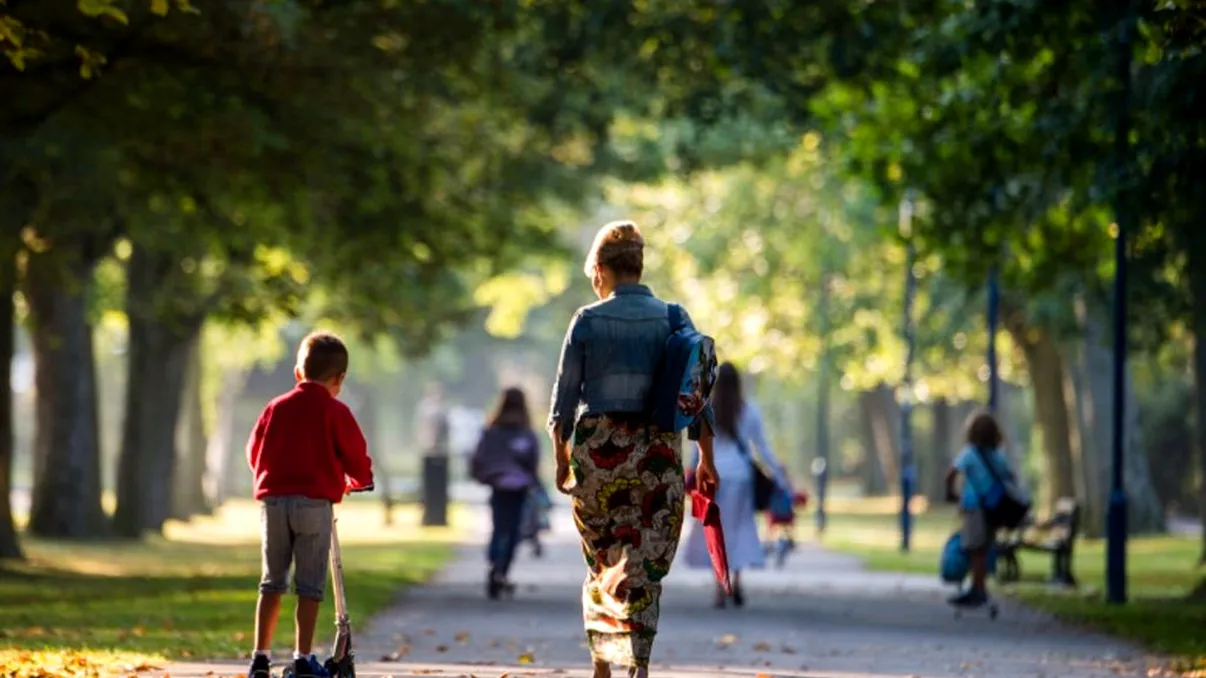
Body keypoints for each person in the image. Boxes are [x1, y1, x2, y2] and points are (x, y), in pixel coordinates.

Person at [548, 220, 718, 678]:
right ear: (639, 267)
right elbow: (696, 394)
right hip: (655, 455)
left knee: (604, 560)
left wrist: (561, 460)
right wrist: (706, 458)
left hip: (598, 454)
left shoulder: (586, 320)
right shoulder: (674, 319)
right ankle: (637, 666)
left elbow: (563, 404)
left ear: (601, 270)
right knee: (643, 564)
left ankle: (603, 661)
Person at [245, 331, 375, 678]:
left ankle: (260, 658)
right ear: (340, 379)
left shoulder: (275, 407)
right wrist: (360, 480)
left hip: (274, 503)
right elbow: (355, 455)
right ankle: (302, 658)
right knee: (310, 586)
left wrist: (271, 476)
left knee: (271, 582)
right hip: (314, 505)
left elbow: (254, 451)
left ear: (298, 372)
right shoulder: (335, 411)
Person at [682, 363, 787, 607]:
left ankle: (720, 589)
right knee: (739, 531)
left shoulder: (705, 409)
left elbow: (697, 450)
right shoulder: (749, 410)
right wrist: (780, 476)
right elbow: (762, 447)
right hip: (741, 478)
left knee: (715, 532)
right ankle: (736, 582)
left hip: (712, 477)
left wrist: (691, 475)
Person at [470, 387, 541, 598]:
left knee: (498, 527)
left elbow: (479, 457)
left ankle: (494, 563)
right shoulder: (526, 433)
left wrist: (483, 475)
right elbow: (533, 461)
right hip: (519, 488)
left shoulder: (491, 431)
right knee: (513, 530)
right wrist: (533, 481)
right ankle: (502, 570)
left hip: (498, 485)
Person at [945, 409, 1015, 607]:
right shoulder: (998, 455)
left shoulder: (969, 453)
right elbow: (1009, 477)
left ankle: (978, 589)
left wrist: (951, 494)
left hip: (975, 507)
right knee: (982, 547)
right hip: (993, 508)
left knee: (976, 549)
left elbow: (951, 474)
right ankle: (978, 586)